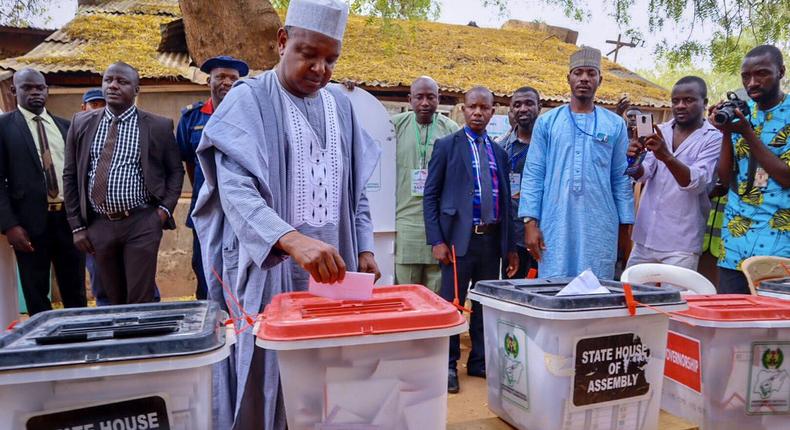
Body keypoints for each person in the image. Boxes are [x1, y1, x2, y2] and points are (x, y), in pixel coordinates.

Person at [191, 0, 381, 427]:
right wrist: (291, 240)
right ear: (282, 42)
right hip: (269, 266)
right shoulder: (249, 99)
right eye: (308, 54)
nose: (320, 69)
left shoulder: (341, 106)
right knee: (266, 368)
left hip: (333, 268)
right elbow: (234, 191)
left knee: (328, 372)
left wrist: (364, 245)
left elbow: (355, 190)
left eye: (331, 59)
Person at [63, 62, 184, 305]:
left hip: (141, 223)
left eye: (122, 82)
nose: (113, 86)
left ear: (136, 89)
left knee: (140, 298)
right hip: (99, 225)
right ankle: (119, 342)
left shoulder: (157, 126)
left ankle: (143, 342)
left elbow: (176, 172)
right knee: (110, 299)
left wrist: (162, 212)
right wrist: (77, 226)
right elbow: (70, 176)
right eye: (108, 80)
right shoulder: (81, 123)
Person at [423, 86, 519, 394]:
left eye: (484, 108)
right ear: (463, 110)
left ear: (494, 112)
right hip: (456, 244)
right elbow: (431, 196)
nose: (478, 112)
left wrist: (509, 247)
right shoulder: (446, 146)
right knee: (452, 305)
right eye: (472, 107)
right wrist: (436, 239)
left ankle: (478, 361)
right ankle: (448, 364)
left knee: (483, 306)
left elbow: (505, 201)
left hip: (490, 244)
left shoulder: (500, 153)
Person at [519, 47, 634, 279]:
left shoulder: (614, 125)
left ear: (599, 80)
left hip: (600, 224)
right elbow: (533, 173)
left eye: (591, 73)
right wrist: (530, 222)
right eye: (578, 73)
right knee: (554, 288)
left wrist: (625, 227)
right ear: (568, 78)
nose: (584, 78)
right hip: (555, 221)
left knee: (595, 290)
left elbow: (620, 178)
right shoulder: (547, 122)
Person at [0, 68, 87, 315]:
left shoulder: (66, 127)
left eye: (40, 87)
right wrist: (9, 225)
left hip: (69, 222)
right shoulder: (4, 127)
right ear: (14, 90)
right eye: (28, 87)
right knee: (36, 293)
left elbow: (80, 176)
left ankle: (78, 342)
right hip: (28, 225)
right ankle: (45, 348)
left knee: (76, 291)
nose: (35, 92)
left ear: (47, 90)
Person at [710, 45, 789, 294]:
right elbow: (725, 177)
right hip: (734, 243)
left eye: (762, 73)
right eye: (746, 76)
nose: (752, 82)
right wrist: (725, 132)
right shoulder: (742, 112)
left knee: (771, 328)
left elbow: (786, 178)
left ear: (781, 72)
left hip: (778, 243)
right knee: (732, 321)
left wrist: (747, 133)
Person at [626, 77, 722, 270]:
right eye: (675, 101)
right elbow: (644, 174)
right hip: (645, 236)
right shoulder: (660, 130)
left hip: (681, 244)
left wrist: (667, 156)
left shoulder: (714, 139)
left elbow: (697, 183)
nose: (680, 106)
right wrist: (634, 159)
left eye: (688, 100)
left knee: (675, 300)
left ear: (704, 103)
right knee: (632, 297)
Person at [177, 55, 249, 300]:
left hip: (242, 208)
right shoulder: (192, 118)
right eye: (220, 76)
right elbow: (188, 161)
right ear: (209, 81)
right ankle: (211, 320)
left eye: (233, 78)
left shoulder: (250, 116)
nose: (227, 82)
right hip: (206, 208)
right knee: (204, 265)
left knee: (241, 266)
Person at [391, 76, 459, 293]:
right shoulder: (394, 126)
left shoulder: (451, 130)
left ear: (438, 99)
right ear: (410, 99)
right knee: (406, 295)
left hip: (440, 230)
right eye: (419, 97)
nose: (425, 103)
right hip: (405, 226)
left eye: (431, 97)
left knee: (436, 296)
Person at [497, 86, 540, 278]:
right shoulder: (500, 148)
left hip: (544, 233)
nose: (523, 108)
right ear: (511, 110)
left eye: (529, 103)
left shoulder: (551, 145)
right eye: (517, 105)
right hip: (512, 235)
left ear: (539, 107)